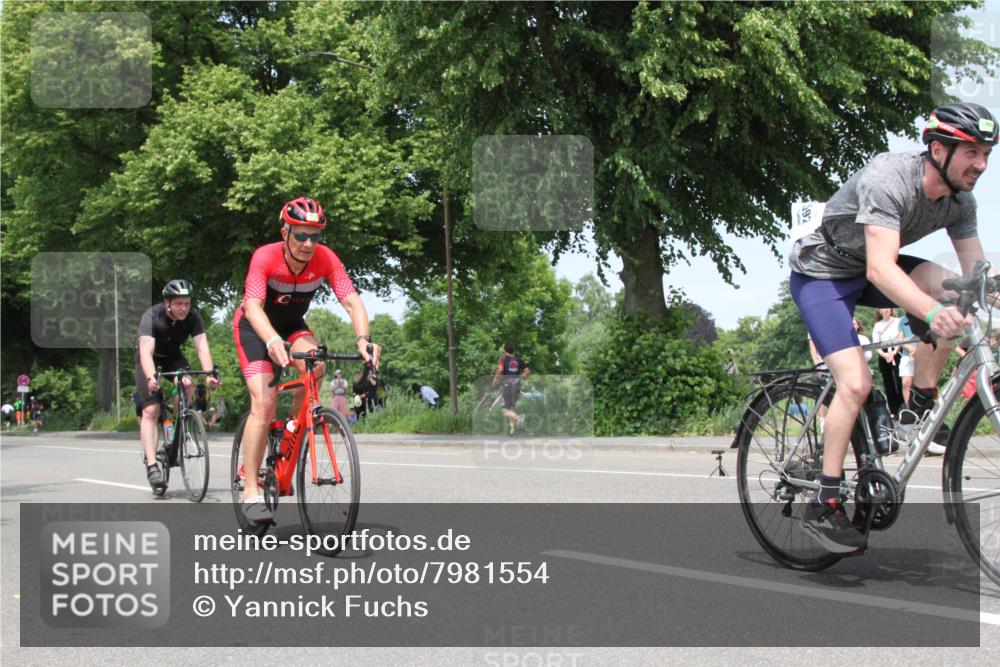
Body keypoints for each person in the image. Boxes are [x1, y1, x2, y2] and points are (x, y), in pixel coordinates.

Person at [787, 102, 997, 553]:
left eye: (986, 154)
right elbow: (881, 270)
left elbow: (976, 275)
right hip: (824, 273)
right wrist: (931, 312)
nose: (981, 164)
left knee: (957, 294)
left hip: (868, 266)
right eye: (972, 152)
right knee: (856, 383)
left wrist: (984, 292)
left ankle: (916, 408)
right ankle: (824, 502)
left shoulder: (961, 201)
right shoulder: (890, 178)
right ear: (938, 150)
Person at [232, 196, 380, 524]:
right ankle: (251, 489)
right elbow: (253, 306)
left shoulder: (325, 258)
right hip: (255, 328)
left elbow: (352, 301)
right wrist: (271, 340)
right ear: (285, 232)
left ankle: (291, 431)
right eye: (300, 235)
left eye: (315, 236)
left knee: (317, 364)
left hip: (292, 326)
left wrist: (364, 340)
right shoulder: (265, 256)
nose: (308, 244)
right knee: (264, 403)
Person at [136, 279, 219, 492]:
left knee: (188, 383)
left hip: (174, 358)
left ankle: (176, 426)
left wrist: (209, 374)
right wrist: (151, 377)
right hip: (150, 361)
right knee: (151, 410)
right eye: (179, 303)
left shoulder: (193, 317)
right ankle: (152, 465)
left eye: (187, 303)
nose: (183, 308)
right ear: (168, 303)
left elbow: (202, 347)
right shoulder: (152, 316)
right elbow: (145, 353)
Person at [492, 343, 530, 436]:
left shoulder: (503, 358)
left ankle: (518, 417)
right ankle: (512, 431)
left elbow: (500, 370)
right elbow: (527, 371)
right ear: (513, 350)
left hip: (507, 385)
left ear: (505, 350)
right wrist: (520, 377)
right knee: (510, 408)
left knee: (504, 410)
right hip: (517, 385)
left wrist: (496, 379)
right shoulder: (518, 359)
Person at [871, 308, 903, 415]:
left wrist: (894, 352)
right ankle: (894, 409)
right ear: (879, 311)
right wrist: (884, 355)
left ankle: (904, 405)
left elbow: (900, 337)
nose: (886, 310)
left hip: (897, 350)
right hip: (884, 353)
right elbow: (876, 343)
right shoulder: (877, 325)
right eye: (884, 308)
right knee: (888, 381)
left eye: (888, 308)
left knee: (900, 379)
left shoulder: (898, 321)